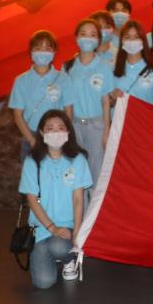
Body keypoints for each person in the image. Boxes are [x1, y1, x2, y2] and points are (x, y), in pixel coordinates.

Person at [19, 110, 92, 289]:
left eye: (60, 128)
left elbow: (78, 199)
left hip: (67, 226)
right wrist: (52, 227)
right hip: (42, 229)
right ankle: (51, 254)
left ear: (68, 131)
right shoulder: (32, 162)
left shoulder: (77, 160)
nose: (56, 132)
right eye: (50, 128)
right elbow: (32, 200)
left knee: (59, 247)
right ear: (42, 132)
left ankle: (68, 260)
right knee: (43, 283)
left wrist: (77, 231)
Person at [61, 18, 113, 189]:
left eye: (92, 35)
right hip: (74, 125)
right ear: (76, 38)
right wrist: (65, 130)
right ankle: (80, 206)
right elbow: (65, 102)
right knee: (77, 172)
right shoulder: (68, 67)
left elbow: (106, 101)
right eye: (83, 34)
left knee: (97, 173)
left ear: (98, 40)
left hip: (97, 126)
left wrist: (106, 131)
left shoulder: (104, 66)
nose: (87, 38)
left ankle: (95, 207)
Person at [10, 30, 69, 155]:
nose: (43, 52)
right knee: (31, 168)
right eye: (38, 48)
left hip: (57, 136)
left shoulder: (63, 78)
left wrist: (62, 135)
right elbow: (18, 115)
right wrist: (31, 140)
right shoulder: (21, 80)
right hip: (31, 134)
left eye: (47, 48)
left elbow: (69, 109)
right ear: (31, 52)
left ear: (54, 52)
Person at [111, 20, 153, 107]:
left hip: (144, 115)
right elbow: (107, 103)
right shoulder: (112, 69)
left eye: (136, 37)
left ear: (143, 41)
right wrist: (113, 98)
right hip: (119, 115)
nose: (132, 41)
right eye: (127, 37)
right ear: (122, 41)